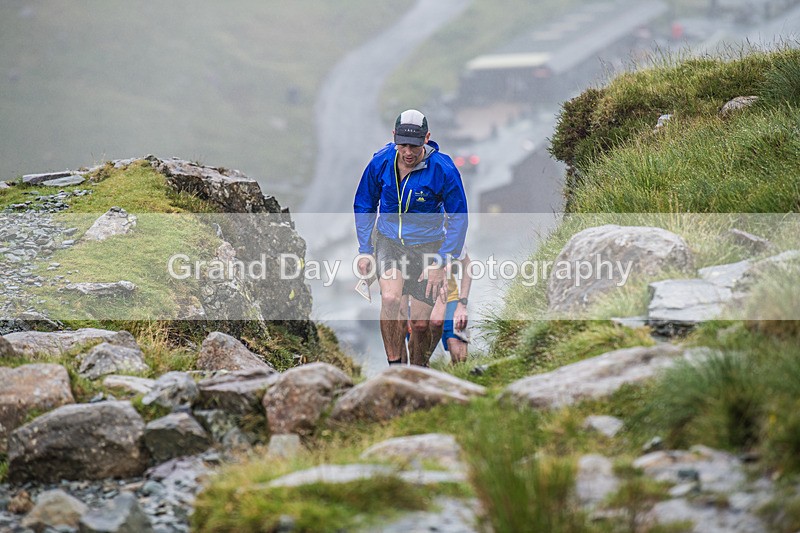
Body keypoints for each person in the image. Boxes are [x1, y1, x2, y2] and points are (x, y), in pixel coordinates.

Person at [354, 109, 468, 366]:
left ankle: (418, 370)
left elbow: (459, 217)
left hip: (428, 248)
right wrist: (364, 248)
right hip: (389, 242)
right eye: (403, 144)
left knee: (419, 324)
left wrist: (441, 261)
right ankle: (395, 366)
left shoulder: (443, 169)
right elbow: (364, 204)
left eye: (415, 146)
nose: (408, 152)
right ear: (394, 137)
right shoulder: (380, 162)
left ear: (426, 138)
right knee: (391, 298)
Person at [429, 251, 472, 364]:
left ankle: (457, 376)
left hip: (449, 297)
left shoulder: (452, 234)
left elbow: (467, 264)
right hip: (415, 301)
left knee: (460, 354)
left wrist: (462, 304)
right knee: (418, 353)